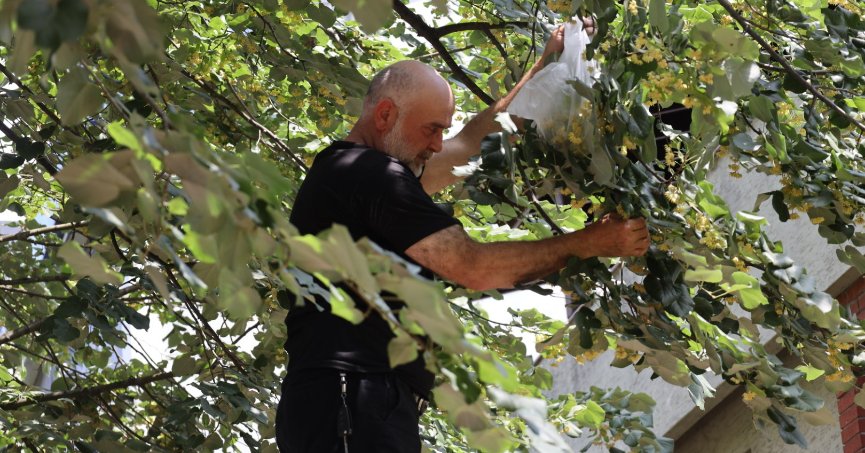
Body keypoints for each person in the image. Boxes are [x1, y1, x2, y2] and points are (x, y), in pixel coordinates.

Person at [276, 20, 650, 453]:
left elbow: (471, 142)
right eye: (431, 129)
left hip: (356, 403)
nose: (438, 144)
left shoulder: (363, 176)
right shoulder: (369, 175)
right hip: (349, 398)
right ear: (385, 115)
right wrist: (589, 243)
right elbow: (472, 267)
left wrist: (547, 63)